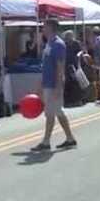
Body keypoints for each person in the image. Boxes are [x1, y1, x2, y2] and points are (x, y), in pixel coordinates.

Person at [32, 20, 77, 152]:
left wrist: (58, 86)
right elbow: (46, 65)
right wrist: (41, 82)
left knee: (51, 113)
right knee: (56, 112)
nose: (42, 29)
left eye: (44, 27)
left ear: (51, 28)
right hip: (47, 82)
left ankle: (46, 141)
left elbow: (60, 66)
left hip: (53, 84)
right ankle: (70, 139)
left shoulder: (58, 44)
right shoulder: (49, 44)